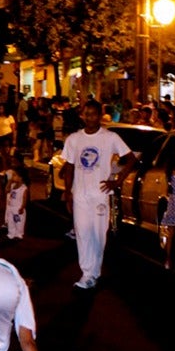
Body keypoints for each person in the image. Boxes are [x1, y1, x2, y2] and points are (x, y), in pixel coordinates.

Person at [62, 99, 136, 289]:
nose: (89, 118)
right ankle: (87, 274)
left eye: (93, 114)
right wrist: (68, 192)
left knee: (98, 234)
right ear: (82, 115)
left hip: (100, 195)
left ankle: (94, 272)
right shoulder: (73, 139)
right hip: (80, 195)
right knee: (82, 233)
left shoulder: (110, 137)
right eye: (86, 114)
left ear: (99, 116)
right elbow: (69, 167)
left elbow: (131, 159)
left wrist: (117, 181)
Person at [4, 165, 29, 240]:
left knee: (18, 222)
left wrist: (22, 207)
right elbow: (6, 190)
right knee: (11, 221)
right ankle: (11, 233)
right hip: (11, 207)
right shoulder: (13, 185)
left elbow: (24, 199)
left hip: (18, 208)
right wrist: (9, 182)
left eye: (14, 175)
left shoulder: (23, 188)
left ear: (20, 177)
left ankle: (19, 234)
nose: (12, 177)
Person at [0, 102, 16, 175]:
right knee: (3, 155)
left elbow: (13, 129)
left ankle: (8, 169)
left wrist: (14, 139)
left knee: (6, 154)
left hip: (7, 136)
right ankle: (6, 169)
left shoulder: (9, 117)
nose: (1, 109)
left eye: (2, 108)